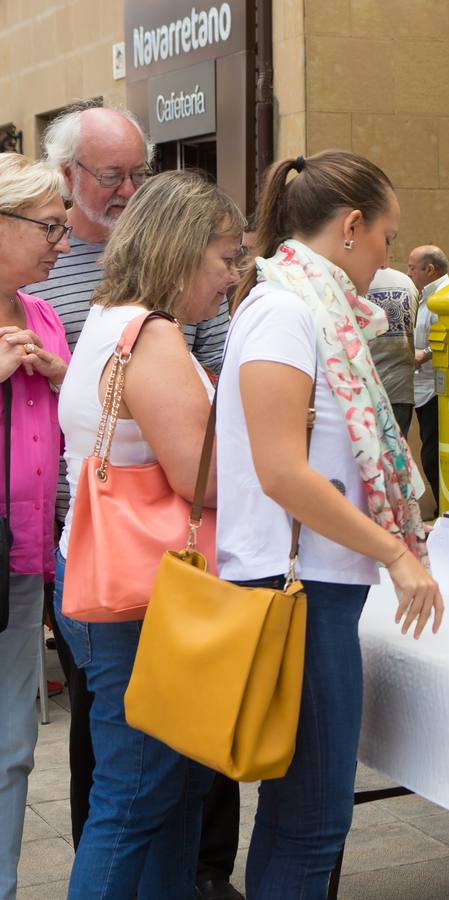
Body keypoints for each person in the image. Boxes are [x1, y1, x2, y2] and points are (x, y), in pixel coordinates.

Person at [222, 150, 441, 897]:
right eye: (387, 236)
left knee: (299, 815)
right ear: (351, 228)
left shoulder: (303, 307)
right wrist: (396, 551)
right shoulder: (287, 312)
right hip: (300, 591)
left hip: (312, 586)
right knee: (313, 820)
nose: (388, 256)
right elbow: (283, 472)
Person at [21, 102, 233, 862]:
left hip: (103, 559)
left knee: (161, 789)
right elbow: (198, 473)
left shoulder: (113, 311)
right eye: (226, 257)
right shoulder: (144, 325)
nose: (232, 275)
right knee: (136, 791)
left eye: (138, 173)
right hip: (133, 577)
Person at [0, 153, 71, 900]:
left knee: (13, 746)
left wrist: (63, 377)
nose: (62, 242)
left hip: (23, 563)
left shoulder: (43, 314)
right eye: (49, 227)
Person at [406, 244, 449, 497]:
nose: (409, 272)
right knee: (430, 453)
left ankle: (443, 507)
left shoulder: (445, 296)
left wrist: (425, 354)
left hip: (437, 389)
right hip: (422, 388)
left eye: (412, 267)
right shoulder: (424, 294)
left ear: (430, 269)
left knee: (433, 456)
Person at [364, 265, 419, 433]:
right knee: (398, 452)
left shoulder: (359, 280)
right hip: (401, 386)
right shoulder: (407, 282)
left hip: (367, 386)